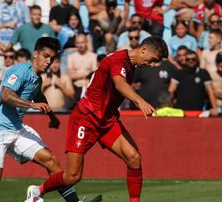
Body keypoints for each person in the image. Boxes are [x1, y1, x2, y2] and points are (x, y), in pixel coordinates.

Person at [0, 37, 99, 202]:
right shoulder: (20, 70)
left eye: (52, 58)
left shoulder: (37, 79)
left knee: (51, 161)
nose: (49, 61)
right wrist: (32, 104)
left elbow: (39, 95)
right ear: (35, 54)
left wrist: (52, 117)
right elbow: (5, 95)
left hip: (17, 128)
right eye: (46, 56)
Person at [24, 36, 169, 202]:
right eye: (152, 60)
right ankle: (36, 191)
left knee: (134, 158)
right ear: (144, 50)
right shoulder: (118, 59)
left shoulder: (130, 65)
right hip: (86, 118)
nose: (151, 65)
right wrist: (140, 101)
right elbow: (119, 84)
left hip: (107, 121)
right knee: (72, 176)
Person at [168, 50, 218, 116]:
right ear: (185, 60)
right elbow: (171, 90)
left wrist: (214, 108)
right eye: (188, 59)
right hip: (181, 113)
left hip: (198, 112)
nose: (191, 61)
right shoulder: (179, 73)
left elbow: (210, 91)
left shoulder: (203, 73)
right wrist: (168, 107)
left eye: (193, 59)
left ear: (197, 60)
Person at [67, 34, 97, 103]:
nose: (80, 45)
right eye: (78, 43)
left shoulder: (93, 56)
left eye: (82, 42)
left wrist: (77, 73)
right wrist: (87, 72)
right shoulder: (71, 57)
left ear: (86, 43)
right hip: (75, 87)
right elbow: (71, 76)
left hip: (88, 86)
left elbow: (94, 74)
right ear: (75, 44)